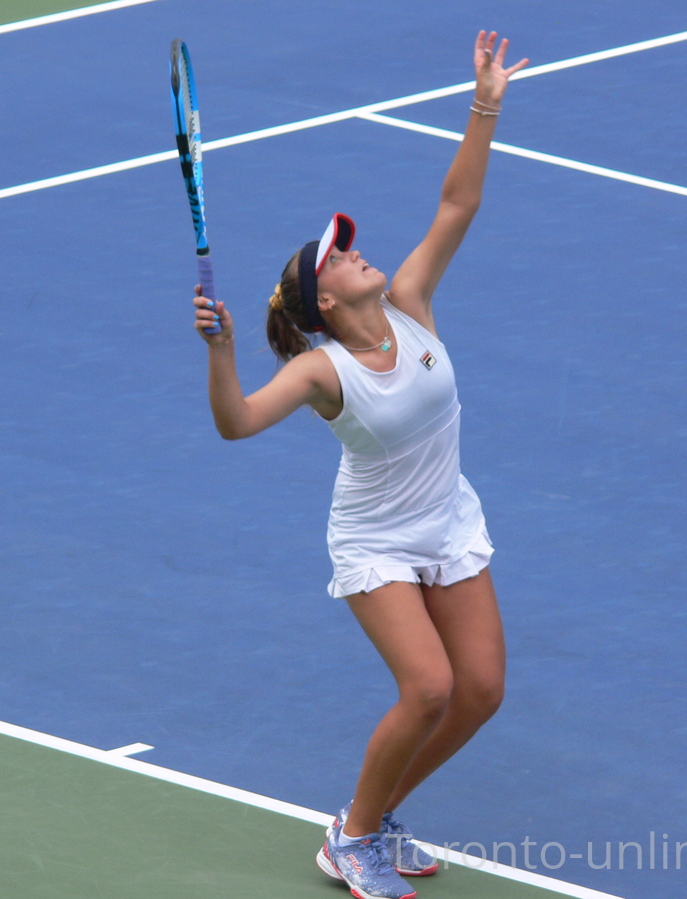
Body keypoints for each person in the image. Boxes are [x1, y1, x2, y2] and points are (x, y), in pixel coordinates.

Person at [191, 31, 528, 899]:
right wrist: (221, 352)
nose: (355, 249)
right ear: (327, 301)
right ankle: (352, 843)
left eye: (346, 243)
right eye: (338, 254)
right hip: (377, 538)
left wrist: (483, 103)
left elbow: (456, 207)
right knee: (428, 688)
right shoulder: (319, 369)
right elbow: (236, 425)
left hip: (448, 519)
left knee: (481, 691)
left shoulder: (411, 305)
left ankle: (363, 823)